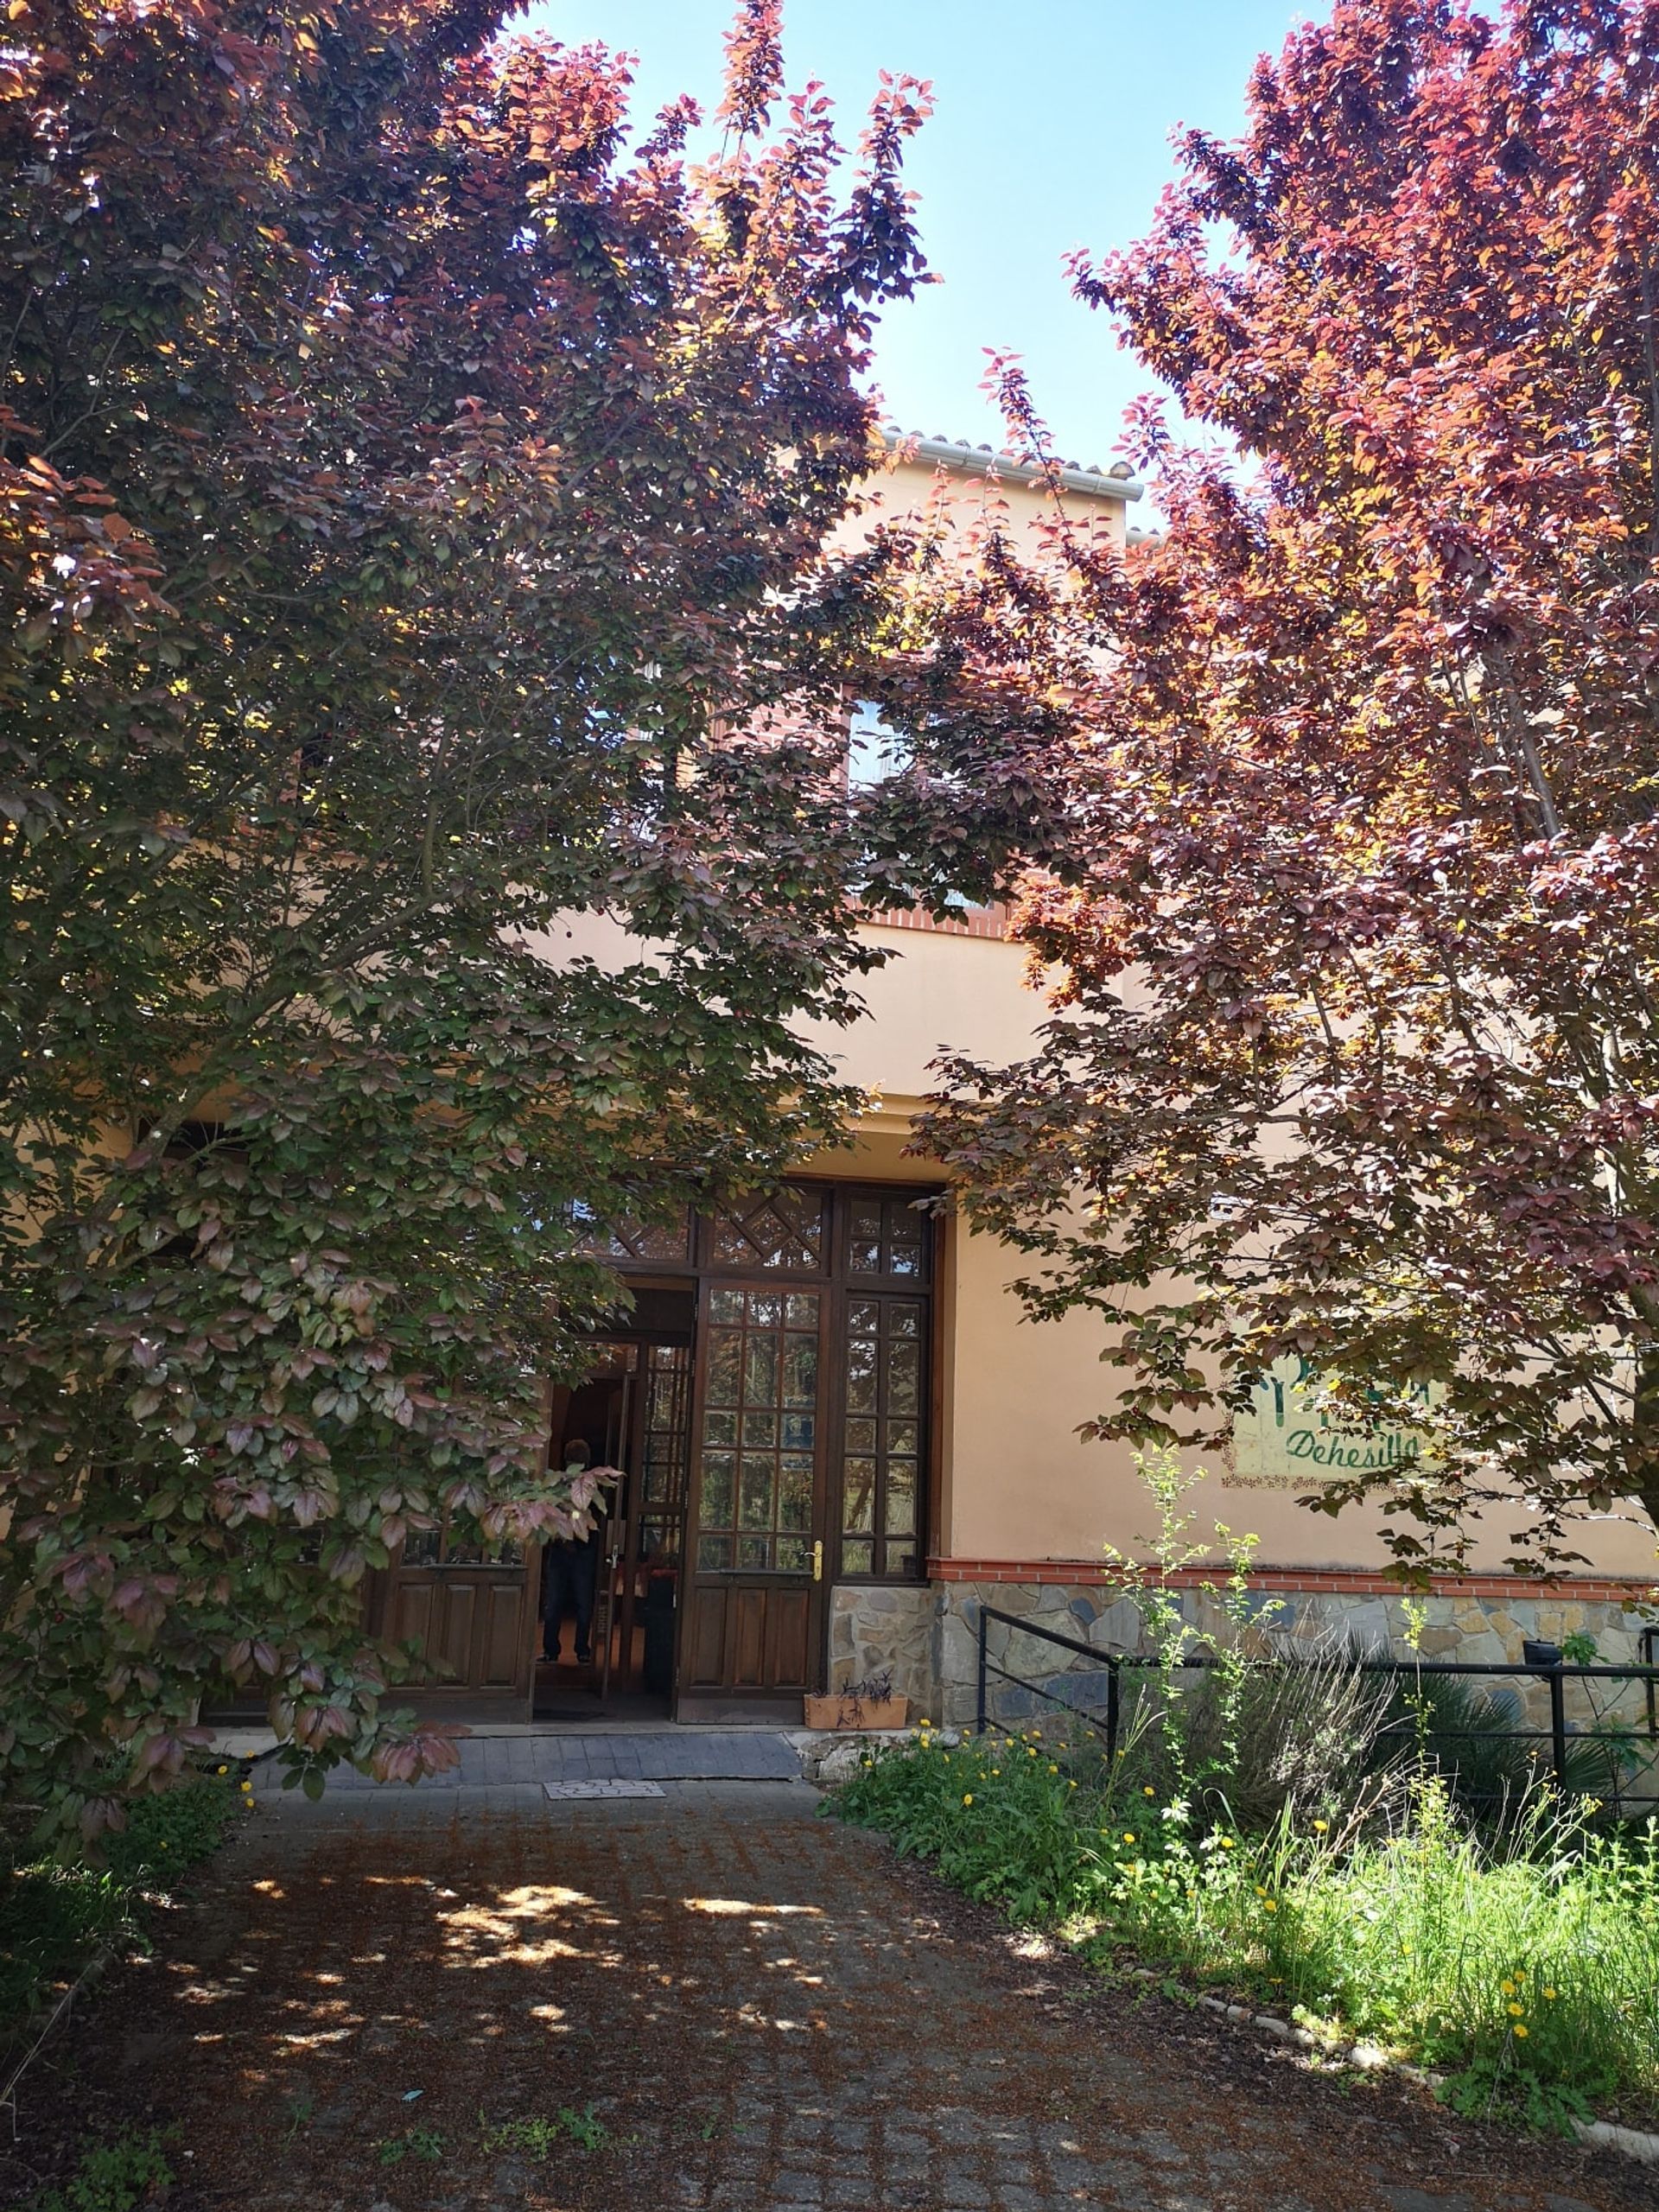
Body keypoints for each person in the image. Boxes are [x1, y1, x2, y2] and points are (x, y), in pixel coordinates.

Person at [541, 1441, 602, 1665]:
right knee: (581, 1603)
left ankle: (552, 1650)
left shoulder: (560, 1484)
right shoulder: (592, 1486)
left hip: (570, 1549)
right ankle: (581, 1651)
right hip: (579, 1550)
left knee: (556, 1602)